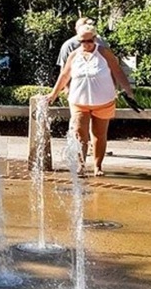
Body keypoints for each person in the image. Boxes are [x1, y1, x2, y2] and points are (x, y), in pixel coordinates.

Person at [47, 24, 139, 176]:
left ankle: (97, 166)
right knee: (79, 133)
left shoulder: (104, 53)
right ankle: (81, 166)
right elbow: (64, 76)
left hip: (103, 101)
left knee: (99, 134)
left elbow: (118, 71)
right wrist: (53, 94)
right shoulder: (74, 55)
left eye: (89, 41)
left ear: (95, 39)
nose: (86, 44)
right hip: (79, 101)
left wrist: (128, 91)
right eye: (82, 41)